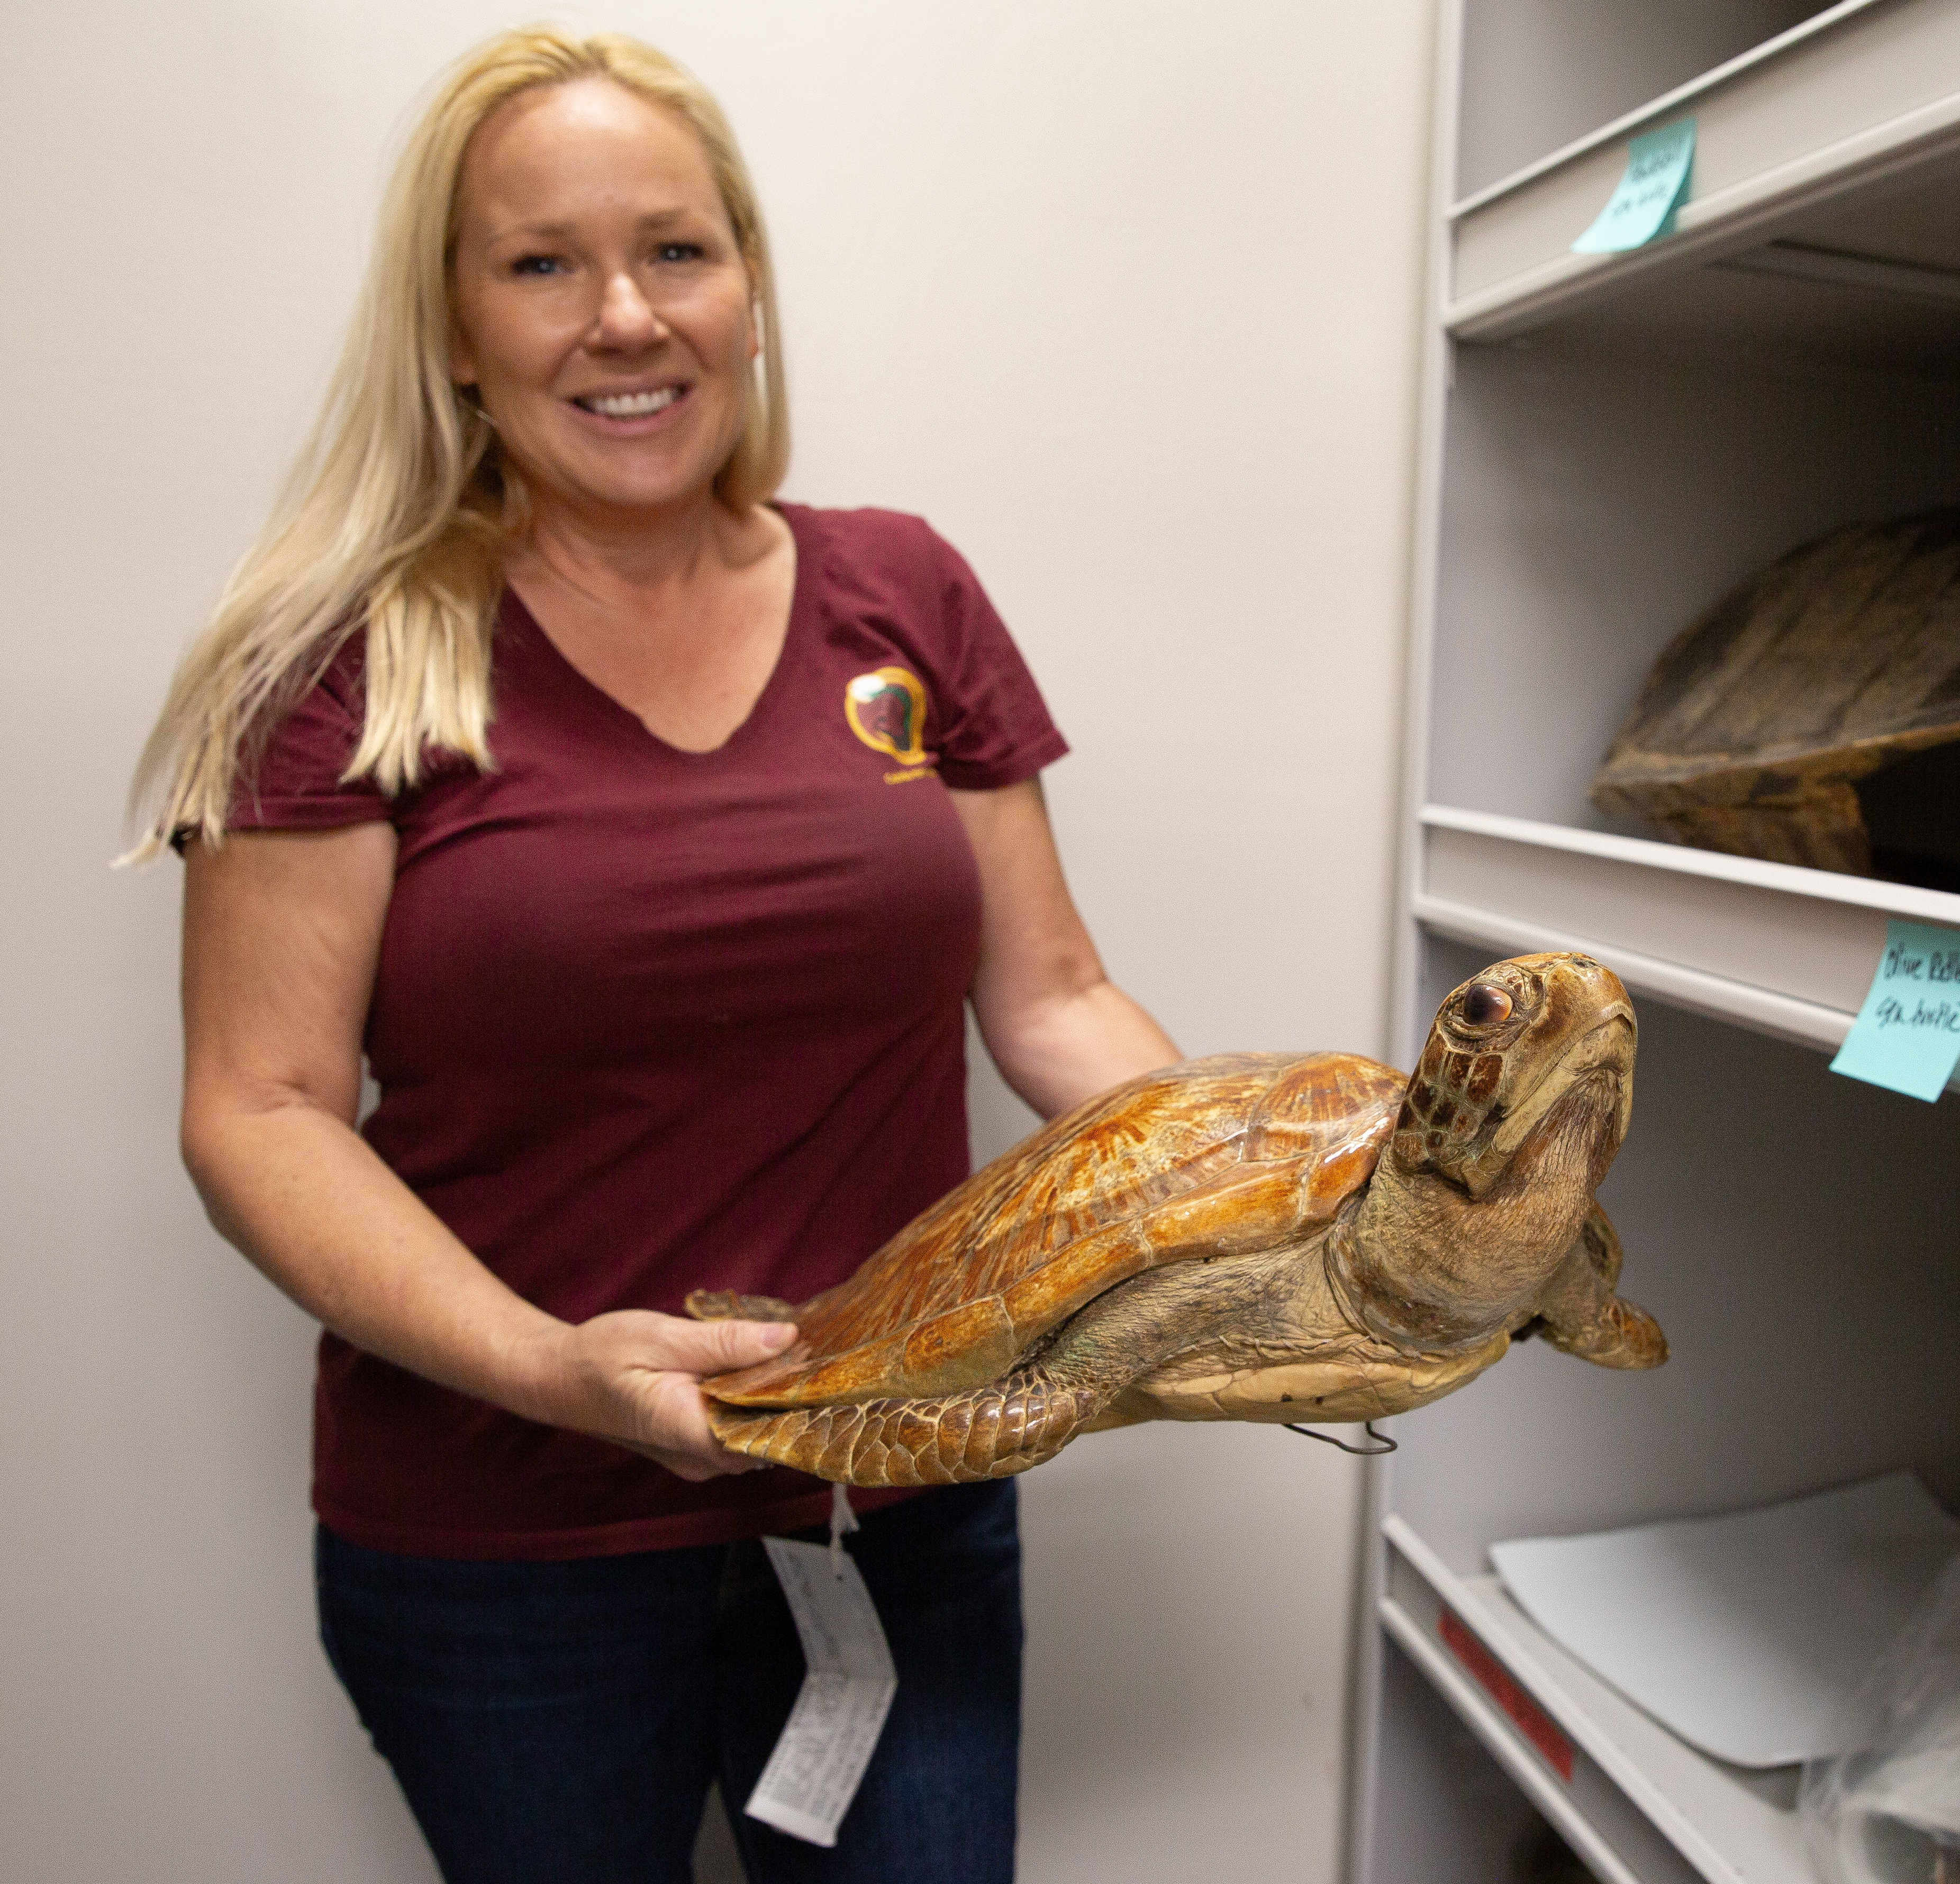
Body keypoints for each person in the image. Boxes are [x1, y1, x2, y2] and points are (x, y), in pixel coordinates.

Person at [129, 28, 1177, 1883]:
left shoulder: (903, 588)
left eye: (677, 251)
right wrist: (556, 1370)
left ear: (749, 286)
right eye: (543, 264)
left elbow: (1054, 999)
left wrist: (1298, 1199)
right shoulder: (344, 654)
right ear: (455, 326)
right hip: (497, 1555)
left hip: (891, 1502)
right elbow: (261, 1109)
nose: (626, 316)